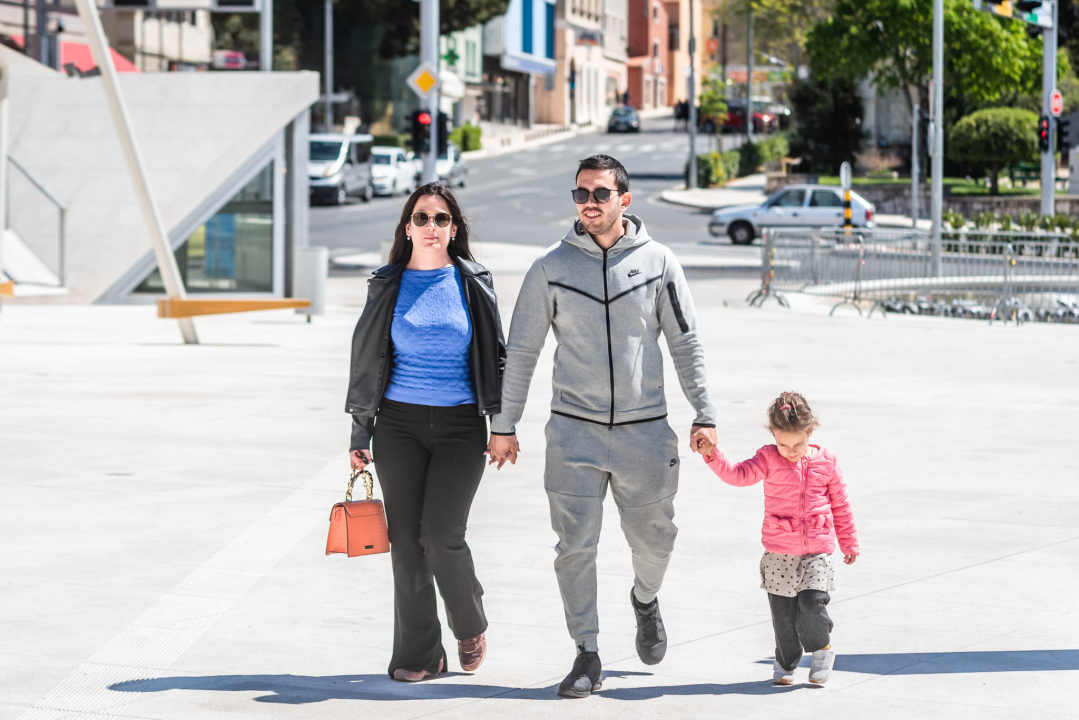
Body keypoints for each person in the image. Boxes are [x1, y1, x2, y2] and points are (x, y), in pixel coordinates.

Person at [485, 154, 717, 698]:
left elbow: (686, 342)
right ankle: (587, 653)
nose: (589, 203)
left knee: (656, 541)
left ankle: (644, 600)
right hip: (573, 433)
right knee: (574, 546)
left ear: (624, 201)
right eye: (581, 194)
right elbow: (521, 351)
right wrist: (505, 423)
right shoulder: (551, 267)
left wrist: (704, 412)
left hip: (645, 432)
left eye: (600, 194)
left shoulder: (659, 262)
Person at [345, 183, 506, 682]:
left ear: (453, 229)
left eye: (440, 219)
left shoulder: (472, 282)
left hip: (461, 426)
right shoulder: (387, 284)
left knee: (441, 536)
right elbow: (366, 356)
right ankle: (420, 654)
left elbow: (497, 357)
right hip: (398, 425)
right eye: (421, 218)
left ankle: (469, 623)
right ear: (407, 227)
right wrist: (360, 432)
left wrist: (503, 426)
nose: (430, 227)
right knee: (406, 542)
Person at [702, 392, 859, 685]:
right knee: (784, 619)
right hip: (779, 551)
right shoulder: (768, 458)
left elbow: (841, 504)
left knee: (813, 605)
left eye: (798, 443)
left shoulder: (827, 461)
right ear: (773, 434)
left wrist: (848, 542)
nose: (790, 450)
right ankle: (786, 661)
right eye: (782, 443)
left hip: (817, 551)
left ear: (811, 432)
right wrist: (713, 455)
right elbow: (738, 475)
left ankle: (822, 650)